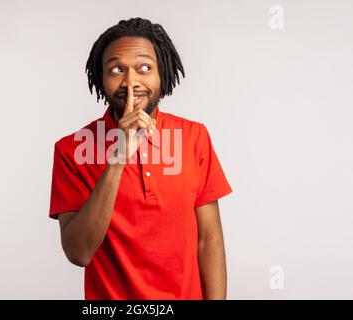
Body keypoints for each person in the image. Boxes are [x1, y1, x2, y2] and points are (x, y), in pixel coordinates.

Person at [49, 17, 233, 300]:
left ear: (163, 74)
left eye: (144, 68)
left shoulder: (194, 136)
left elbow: (209, 240)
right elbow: (79, 253)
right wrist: (118, 157)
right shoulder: (71, 150)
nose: (131, 82)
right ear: (101, 77)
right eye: (117, 69)